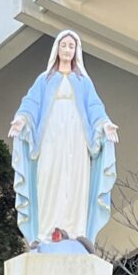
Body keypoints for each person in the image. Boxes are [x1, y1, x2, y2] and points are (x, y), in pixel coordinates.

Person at [9, 30, 118, 247]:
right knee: (49, 178)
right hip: (51, 137)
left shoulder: (83, 81)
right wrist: (21, 119)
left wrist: (105, 125)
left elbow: (95, 107)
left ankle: (76, 230)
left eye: (71, 46)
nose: (67, 50)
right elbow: (31, 103)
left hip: (77, 138)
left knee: (76, 179)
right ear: (57, 49)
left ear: (76, 51)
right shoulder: (45, 79)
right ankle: (46, 232)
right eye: (64, 45)